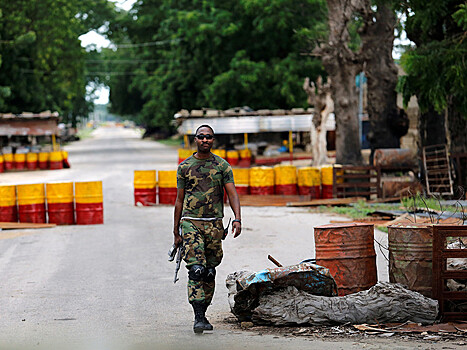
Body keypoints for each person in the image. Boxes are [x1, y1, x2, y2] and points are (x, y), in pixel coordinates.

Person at [173, 125, 242, 333]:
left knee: (210, 271)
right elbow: (179, 200)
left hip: (214, 224)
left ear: (213, 140)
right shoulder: (185, 167)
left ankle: (204, 310)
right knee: (197, 269)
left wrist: (238, 219)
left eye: (208, 137)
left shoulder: (222, 166)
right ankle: (198, 316)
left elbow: (232, 194)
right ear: (195, 139)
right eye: (201, 137)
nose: (205, 140)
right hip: (190, 221)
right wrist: (176, 231)